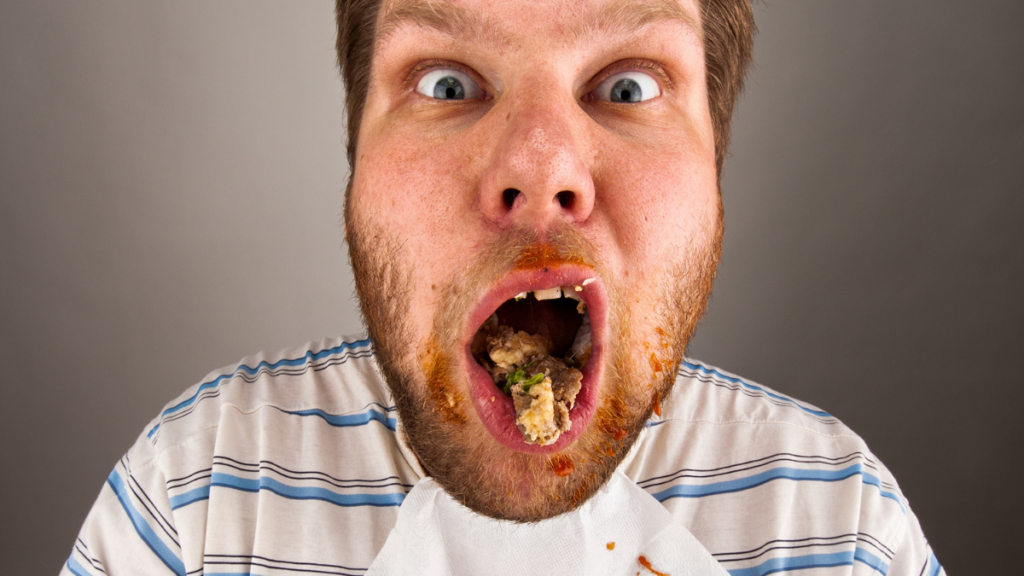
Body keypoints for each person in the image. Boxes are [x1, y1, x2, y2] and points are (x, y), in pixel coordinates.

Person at [61, 1, 945, 575]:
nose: (540, 169)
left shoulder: (838, 523)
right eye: (449, 83)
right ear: (356, 158)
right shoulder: (198, 499)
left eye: (627, 85)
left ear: (717, 167)